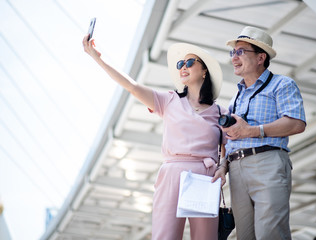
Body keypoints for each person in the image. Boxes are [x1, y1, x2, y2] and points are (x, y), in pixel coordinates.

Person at [83, 36, 227, 240]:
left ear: (204, 71)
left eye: (189, 62)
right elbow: (132, 86)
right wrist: (99, 59)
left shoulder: (221, 112)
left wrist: (223, 168)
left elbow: (231, 147)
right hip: (171, 174)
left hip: (206, 177)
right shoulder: (169, 100)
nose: (182, 67)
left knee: (205, 238)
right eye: (180, 64)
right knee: (165, 236)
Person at [212, 26, 306, 240]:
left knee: (270, 233)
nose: (234, 58)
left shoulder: (282, 84)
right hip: (236, 169)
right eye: (232, 53)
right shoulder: (236, 96)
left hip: (268, 162)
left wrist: (251, 131)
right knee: (244, 236)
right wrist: (223, 166)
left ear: (261, 57)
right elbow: (231, 138)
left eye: (240, 52)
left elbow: (297, 123)